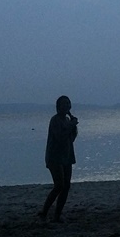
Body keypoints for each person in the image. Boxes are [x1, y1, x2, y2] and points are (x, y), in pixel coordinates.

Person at [39, 95, 78, 223]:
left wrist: (73, 126)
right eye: (63, 104)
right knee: (59, 185)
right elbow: (60, 137)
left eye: (68, 103)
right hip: (54, 156)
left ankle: (57, 215)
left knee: (66, 186)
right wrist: (71, 125)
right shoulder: (55, 120)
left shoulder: (67, 120)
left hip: (67, 156)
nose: (66, 106)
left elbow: (71, 138)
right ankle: (44, 212)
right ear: (58, 107)